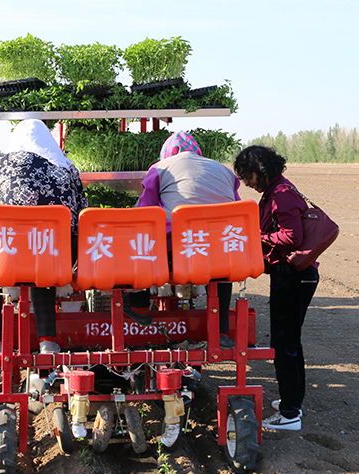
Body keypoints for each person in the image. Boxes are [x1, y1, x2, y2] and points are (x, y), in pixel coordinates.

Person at [0, 118, 88, 357]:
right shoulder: (67, 167)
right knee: (43, 257)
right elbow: (83, 210)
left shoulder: (6, 163)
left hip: (14, 256)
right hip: (58, 256)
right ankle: (47, 343)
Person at [126, 131, 241, 348]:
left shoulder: (160, 168)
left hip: (179, 252)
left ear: (168, 153)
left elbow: (143, 212)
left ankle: (140, 305)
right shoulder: (226, 172)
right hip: (223, 252)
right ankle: (222, 332)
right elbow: (236, 207)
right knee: (222, 273)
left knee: (139, 239)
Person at [233, 145, 319, 431]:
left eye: (248, 176)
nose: (246, 183)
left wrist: (257, 235)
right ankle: (291, 401)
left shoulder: (281, 195)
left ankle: (290, 414)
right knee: (290, 341)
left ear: (261, 171)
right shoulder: (278, 191)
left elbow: (292, 237)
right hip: (294, 275)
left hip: (293, 276)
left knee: (284, 343)